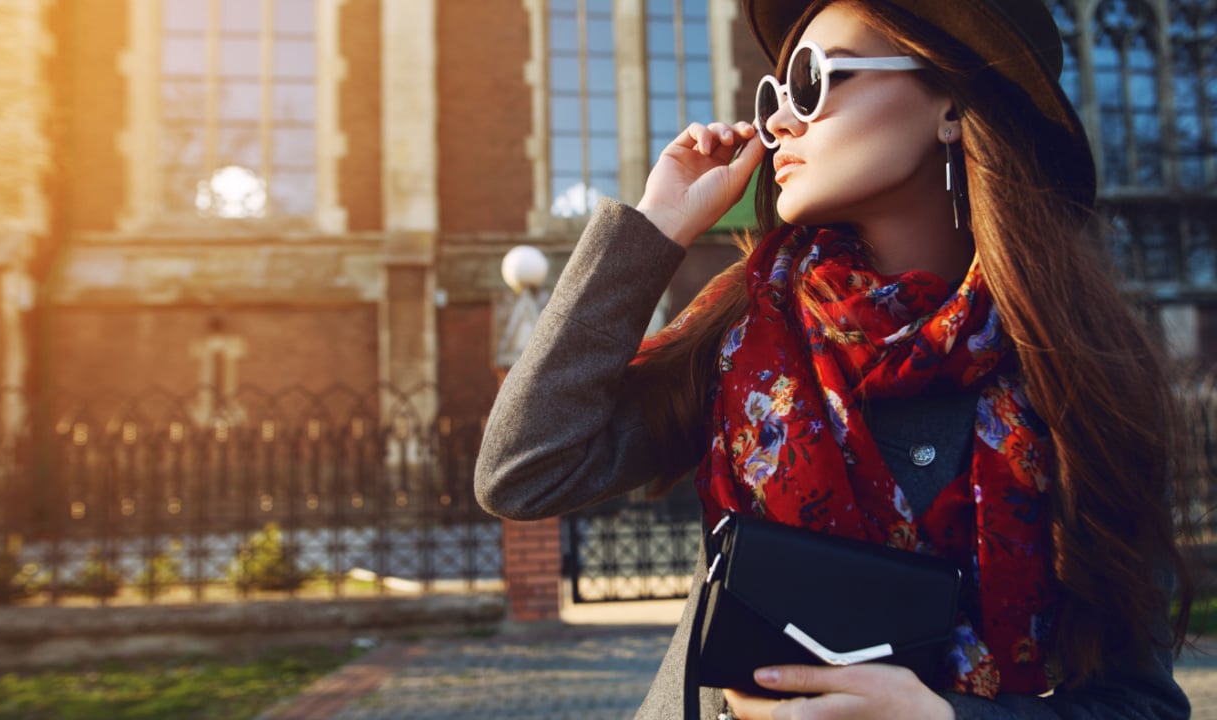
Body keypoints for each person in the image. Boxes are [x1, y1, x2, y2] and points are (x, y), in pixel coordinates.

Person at [475, 0, 1194, 717]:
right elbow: (523, 472)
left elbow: (1140, 703)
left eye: (814, 82)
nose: (781, 120)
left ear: (949, 103)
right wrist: (657, 227)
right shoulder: (746, 335)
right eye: (774, 95)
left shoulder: (1079, 381)